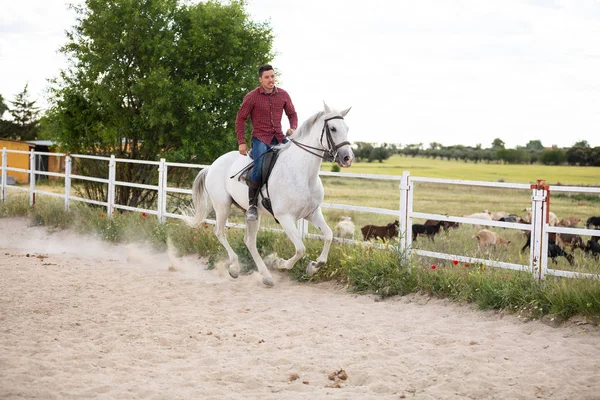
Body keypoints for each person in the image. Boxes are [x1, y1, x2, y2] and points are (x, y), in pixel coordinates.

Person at [236, 64, 298, 221]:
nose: (271, 80)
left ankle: (288, 202)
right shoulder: (252, 97)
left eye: (272, 76)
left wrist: (293, 127)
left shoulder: (283, 95)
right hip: (261, 138)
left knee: (294, 162)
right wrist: (241, 142)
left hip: (279, 137)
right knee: (260, 167)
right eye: (267, 77)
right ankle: (252, 206)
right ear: (260, 79)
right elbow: (240, 119)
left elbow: (292, 114)